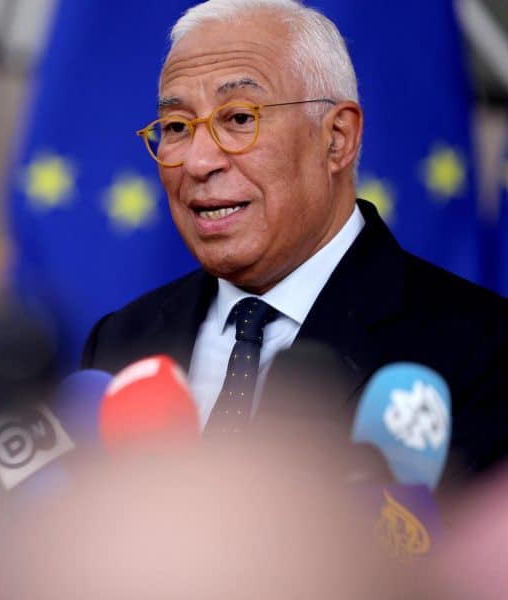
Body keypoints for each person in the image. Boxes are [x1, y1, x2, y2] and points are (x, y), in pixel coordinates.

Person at [81, 0, 507, 481]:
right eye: (177, 127)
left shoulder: (483, 352)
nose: (198, 162)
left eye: (239, 118)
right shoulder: (120, 342)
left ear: (337, 139)